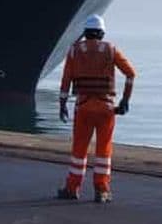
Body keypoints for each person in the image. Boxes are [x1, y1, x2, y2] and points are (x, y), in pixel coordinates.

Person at [56, 14, 135, 203]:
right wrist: (125, 100)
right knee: (103, 150)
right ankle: (102, 190)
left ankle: (72, 189)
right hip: (106, 108)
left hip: (82, 107)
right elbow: (131, 74)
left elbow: (66, 81)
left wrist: (62, 105)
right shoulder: (111, 50)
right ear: (101, 33)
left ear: (85, 33)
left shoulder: (74, 51)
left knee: (79, 150)